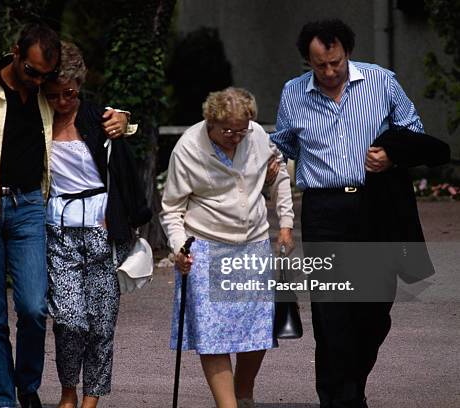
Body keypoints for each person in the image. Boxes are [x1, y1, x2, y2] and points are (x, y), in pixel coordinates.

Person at [0, 24, 129, 408]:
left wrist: (125, 120)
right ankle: (3, 400)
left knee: (33, 307)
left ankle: (27, 385)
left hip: (29, 208)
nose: (39, 82)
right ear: (15, 53)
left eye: (46, 76)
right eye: (33, 72)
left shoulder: (44, 94)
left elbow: (90, 115)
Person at [270, 19, 427, 408]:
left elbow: (414, 130)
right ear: (308, 61)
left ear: (347, 54)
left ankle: (352, 385)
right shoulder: (293, 93)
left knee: (375, 311)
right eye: (319, 65)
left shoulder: (382, 81)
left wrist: (391, 154)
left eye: (335, 63)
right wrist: (268, 164)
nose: (328, 72)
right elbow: (282, 144)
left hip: (376, 207)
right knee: (331, 313)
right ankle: (337, 399)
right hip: (325, 211)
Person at [160, 87, 294, 408]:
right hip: (206, 246)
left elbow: (279, 177)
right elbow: (172, 208)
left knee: (257, 329)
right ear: (211, 122)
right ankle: (228, 405)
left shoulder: (257, 135)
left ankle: (243, 392)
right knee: (212, 335)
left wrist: (286, 225)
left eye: (242, 129)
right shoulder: (188, 149)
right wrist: (179, 247)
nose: (236, 136)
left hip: (253, 244)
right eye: (228, 131)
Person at [42, 41, 152, 408]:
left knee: (102, 325)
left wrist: (125, 119)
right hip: (59, 232)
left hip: (104, 231)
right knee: (69, 320)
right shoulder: (37, 119)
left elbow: (124, 165)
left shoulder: (99, 119)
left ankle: (91, 397)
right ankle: (68, 389)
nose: (61, 101)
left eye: (69, 93)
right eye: (54, 93)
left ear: (80, 85)